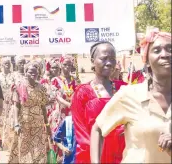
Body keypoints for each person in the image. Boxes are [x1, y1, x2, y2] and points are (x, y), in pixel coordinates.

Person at [90, 30, 171, 163]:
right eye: (156, 50)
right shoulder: (129, 95)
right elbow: (97, 129)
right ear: (147, 61)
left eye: (170, 49)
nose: (165, 54)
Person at [70, 41, 127, 163]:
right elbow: (82, 133)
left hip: (122, 155)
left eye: (112, 59)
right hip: (95, 155)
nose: (109, 63)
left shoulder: (124, 89)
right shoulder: (82, 93)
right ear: (92, 61)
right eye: (103, 58)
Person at [8, 62, 51, 163]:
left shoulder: (42, 88)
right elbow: (16, 106)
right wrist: (16, 123)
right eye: (30, 72)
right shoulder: (20, 86)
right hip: (24, 124)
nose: (33, 74)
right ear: (25, 72)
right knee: (24, 151)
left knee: (39, 151)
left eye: (35, 73)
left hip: (38, 125)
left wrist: (47, 124)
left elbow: (43, 106)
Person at [0, 56, 16, 150]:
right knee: (0, 122)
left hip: (11, 103)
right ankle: (0, 142)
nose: (8, 65)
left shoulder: (15, 76)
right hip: (0, 103)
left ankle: (9, 143)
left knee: (10, 121)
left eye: (9, 63)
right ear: (1, 65)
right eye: (5, 63)